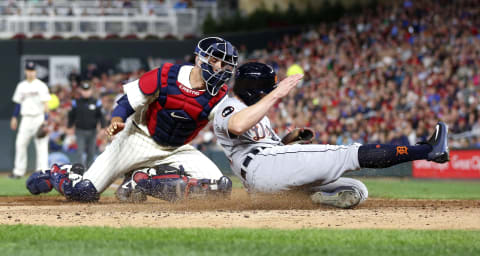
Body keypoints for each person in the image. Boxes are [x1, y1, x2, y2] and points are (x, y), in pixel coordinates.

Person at [26, 37, 238, 202]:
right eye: (214, 60)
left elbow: (232, 126)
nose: (219, 67)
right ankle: (58, 172)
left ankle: (140, 181)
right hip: (137, 138)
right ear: (198, 59)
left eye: (225, 64)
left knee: (217, 189)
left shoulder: (219, 96)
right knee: (84, 192)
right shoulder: (167, 75)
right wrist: (117, 119)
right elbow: (127, 102)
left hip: (178, 149)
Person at [213, 62, 449, 209]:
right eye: (269, 89)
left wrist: (290, 138)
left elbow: (265, 144)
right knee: (347, 154)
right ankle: (427, 150)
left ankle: (310, 200)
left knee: (357, 191)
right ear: (255, 90)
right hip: (263, 167)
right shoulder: (230, 106)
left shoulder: (255, 111)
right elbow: (237, 125)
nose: (272, 93)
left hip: (266, 178)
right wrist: (277, 95)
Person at [10, 61, 51, 179]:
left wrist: (46, 121)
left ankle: (42, 172)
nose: (31, 72)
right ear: (25, 71)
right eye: (29, 70)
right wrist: (14, 117)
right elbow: (18, 103)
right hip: (26, 118)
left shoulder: (41, 85)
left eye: (33, 70)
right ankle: (18, 171)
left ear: (36, 72)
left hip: (39, 117)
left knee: (42, 146)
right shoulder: (21, 86)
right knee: (20, 144)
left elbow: (46, 104)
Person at [67, 83, 106, 167]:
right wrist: (69, 126)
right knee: (80, 152)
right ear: (81, 91)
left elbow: (101, 116)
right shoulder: (76, 102)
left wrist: (103, 127)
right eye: (84, 90)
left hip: (92, 131)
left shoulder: (96, 102)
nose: (86, 92)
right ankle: (80, 172)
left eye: (87, 90)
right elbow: (71, 115)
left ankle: (89, 172)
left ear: (91, 91)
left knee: (91, 152)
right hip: (80, 130)